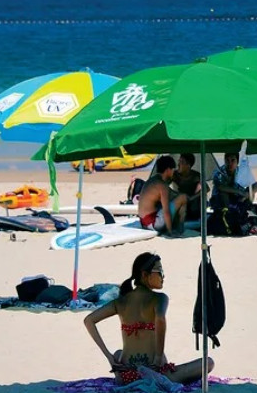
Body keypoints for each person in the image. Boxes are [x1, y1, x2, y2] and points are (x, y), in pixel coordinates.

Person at [84, 252, 212, 386]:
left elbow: (89, 321)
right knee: (208, 362)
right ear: (145, 275)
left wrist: (109, 357)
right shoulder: (159, 298)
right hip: (154, 372)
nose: (163, 276)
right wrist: (158, 357)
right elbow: (161, 319)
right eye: (160, 271)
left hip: (126, 375)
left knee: (117, 353)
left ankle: (128, 369)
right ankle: (152, 375)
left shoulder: (121, 301)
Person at [136, 156, 186, 235]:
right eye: (173, 169)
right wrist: (170, 232)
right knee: (183, 198)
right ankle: (180, 229)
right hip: (153, 223)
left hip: (144, 222)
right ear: (168, 170)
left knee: (178, 198)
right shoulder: (162, 186)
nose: (174, 172)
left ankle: (175, 227)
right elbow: (166, 211)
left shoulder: (153, 180)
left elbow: (172, 194)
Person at [171, 153, 204, 221]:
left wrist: (191, 198)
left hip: (192, 204)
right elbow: (163, 185)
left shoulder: (196, 175)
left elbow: (205, 189)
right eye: (179, 161)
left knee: (200, 197)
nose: (178, 164)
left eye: (181, 162)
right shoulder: (174, 174)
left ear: (188, 165)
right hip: (179, 203)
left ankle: (197, 219)